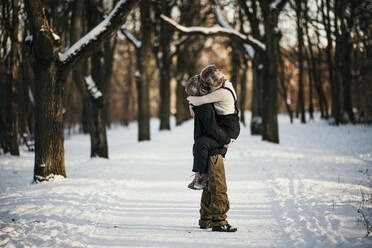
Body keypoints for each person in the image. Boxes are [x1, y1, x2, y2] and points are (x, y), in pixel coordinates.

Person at [183, 65, 238, 232]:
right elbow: (213, 128)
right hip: (213, 149)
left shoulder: (204, 105)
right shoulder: (205, 107)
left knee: (209, 184)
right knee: (218, 185)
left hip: (208, 146)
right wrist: (226, 141)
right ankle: (219, 222)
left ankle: (205, 219)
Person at [186, 65, 240, 190]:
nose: (208, 88)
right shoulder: (225, 84)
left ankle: (202, 176)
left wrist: (191, 102)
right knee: (201, 144)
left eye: (208, 85)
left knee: (202, 143)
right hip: (225, 123)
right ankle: (200, 175)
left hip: (228, 127)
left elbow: (201, 100)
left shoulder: (222, 92)